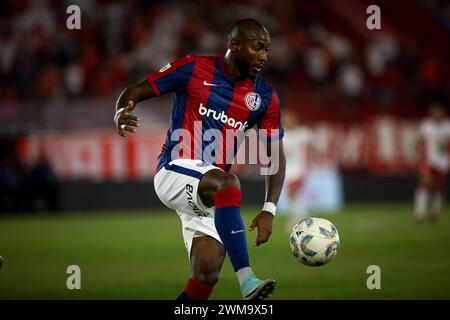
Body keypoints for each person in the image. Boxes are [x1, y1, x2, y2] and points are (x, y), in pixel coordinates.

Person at [113, 19, 286, 300]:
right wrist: (120, 113)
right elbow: (134, 91)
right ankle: (247, 280)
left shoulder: (264, 96)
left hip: (208, 190)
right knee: (228, 181)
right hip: (173, 170)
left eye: (267, 49)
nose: (264, 56)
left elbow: (274, 156)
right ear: (234, 45)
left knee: (206, 274)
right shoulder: (193, 68)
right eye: (257, 48)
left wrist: (269, 209)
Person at [278, 109, 314, 232]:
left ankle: (300, 219)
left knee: (292, 193)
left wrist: (309, 164)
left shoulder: (303, 133)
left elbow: (310, 150)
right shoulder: (283, 135)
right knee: (292, 196)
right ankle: (301, 218)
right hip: (288, 170)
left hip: (300, 169)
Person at [415, 103, 450, 223]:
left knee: (438, 186)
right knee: (425, 182)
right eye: (434, 112)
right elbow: (421, 139)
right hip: (428, 159)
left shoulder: (447, 126)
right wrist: (417, 147)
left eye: (438, 112)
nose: (436, 115)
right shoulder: (426, 125)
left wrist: (446, 146)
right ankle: (420, 212)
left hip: (443, 160)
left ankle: (436, 208)